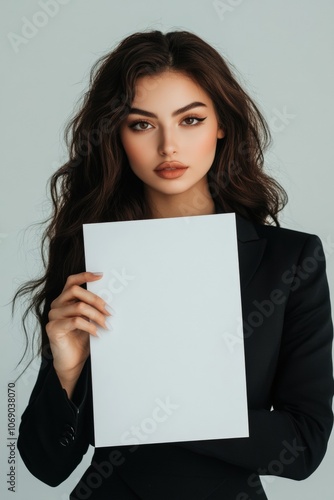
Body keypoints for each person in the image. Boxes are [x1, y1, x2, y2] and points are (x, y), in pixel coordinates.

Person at [16, 30, 333, 499]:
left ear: (221, 124)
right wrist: (66, 368)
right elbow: (46, 464)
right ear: (117, 135)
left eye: (190, 120)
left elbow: (304, 447)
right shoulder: (92, 260)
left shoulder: (289, 260)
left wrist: (161, 412)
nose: (169, 146)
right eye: (142, 124)